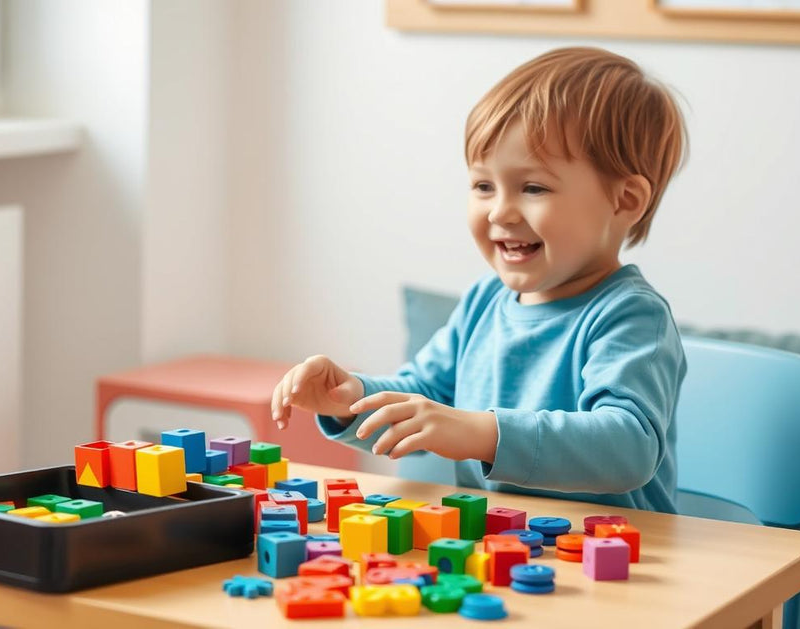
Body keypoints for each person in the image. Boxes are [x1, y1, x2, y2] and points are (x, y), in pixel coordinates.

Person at [271, 47, 688, 512]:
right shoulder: (484, 301)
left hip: (617, 557)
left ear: (625, 200)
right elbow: (426, 397)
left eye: (533, 187)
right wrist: (348, 399)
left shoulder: (631, 315)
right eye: (483, 186)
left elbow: (628, 446)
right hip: (501, 547)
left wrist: (481, 433)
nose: (500, 211)